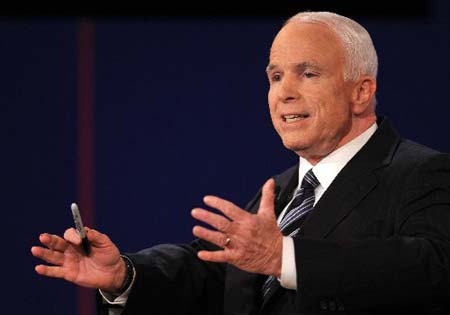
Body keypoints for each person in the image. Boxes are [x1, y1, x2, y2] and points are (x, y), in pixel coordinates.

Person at [31, 11, 450, 314]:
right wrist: (124, 274)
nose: (283, 93)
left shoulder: (422, 173)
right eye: (275, 76)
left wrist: (284, 258)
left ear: (361, 92)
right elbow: (211, 272)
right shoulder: (283, 189)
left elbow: (431, 270)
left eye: (307, 73)